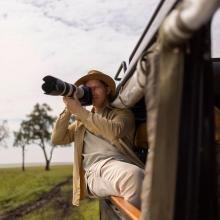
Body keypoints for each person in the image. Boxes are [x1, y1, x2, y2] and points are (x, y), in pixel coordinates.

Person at [51, 70, 144, 209]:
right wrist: (68, 109)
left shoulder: (122, 114)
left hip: (121, 164)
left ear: (107, 89)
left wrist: (80, 111)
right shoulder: (81, 122)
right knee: (133, 177)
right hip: (95, 171)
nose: (92, 92)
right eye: (88, 90)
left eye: (96, 88)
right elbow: (57, 138)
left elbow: (114, 131)